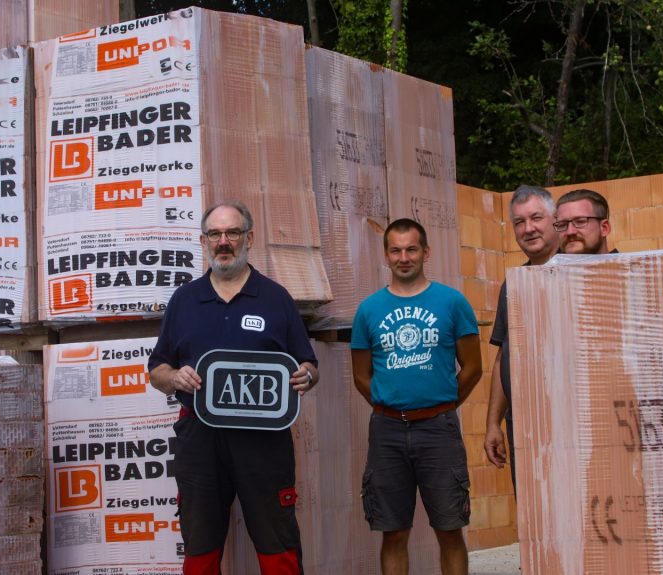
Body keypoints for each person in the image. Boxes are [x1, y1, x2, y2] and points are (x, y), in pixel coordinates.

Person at [148, 200, 319, 575]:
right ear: (204, 241)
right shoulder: (184, 300)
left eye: (233, 233)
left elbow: (308, 363)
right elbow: (156, 368)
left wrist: (305, 374)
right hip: (199, 438)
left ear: (249, 238)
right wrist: (174, 377)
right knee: (200, 545)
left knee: (279, 544)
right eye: (215, 234)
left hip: (264, 440)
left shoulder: (276, 299)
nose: (223, 242)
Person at [351, 218, 483, 575]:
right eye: (396, 250)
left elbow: (472, 367)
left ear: (426, 252)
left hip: (438, 429)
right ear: (386, 255)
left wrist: (444, 405)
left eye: (411, 249)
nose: (404, 257)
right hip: (387, 432)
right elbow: (361, 375)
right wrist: (389, 404)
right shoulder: (369, 309)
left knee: (450, 529)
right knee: (393, 533)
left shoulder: (452, 302)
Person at [484, 186, 562, 488]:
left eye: (536, 218)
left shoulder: (580, 270)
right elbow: (505, 355)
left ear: (555, 220)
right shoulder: (514, 284)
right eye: (519, 222)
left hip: (575, 422)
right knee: (535, 520)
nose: (528, 229)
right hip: (526, 426)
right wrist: (493, 422)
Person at [554, 188, 616, 255]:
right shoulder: (546, 264)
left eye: (580, 221)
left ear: (604, 228)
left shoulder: (627, 265)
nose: (570, 232)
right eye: (562, 225)